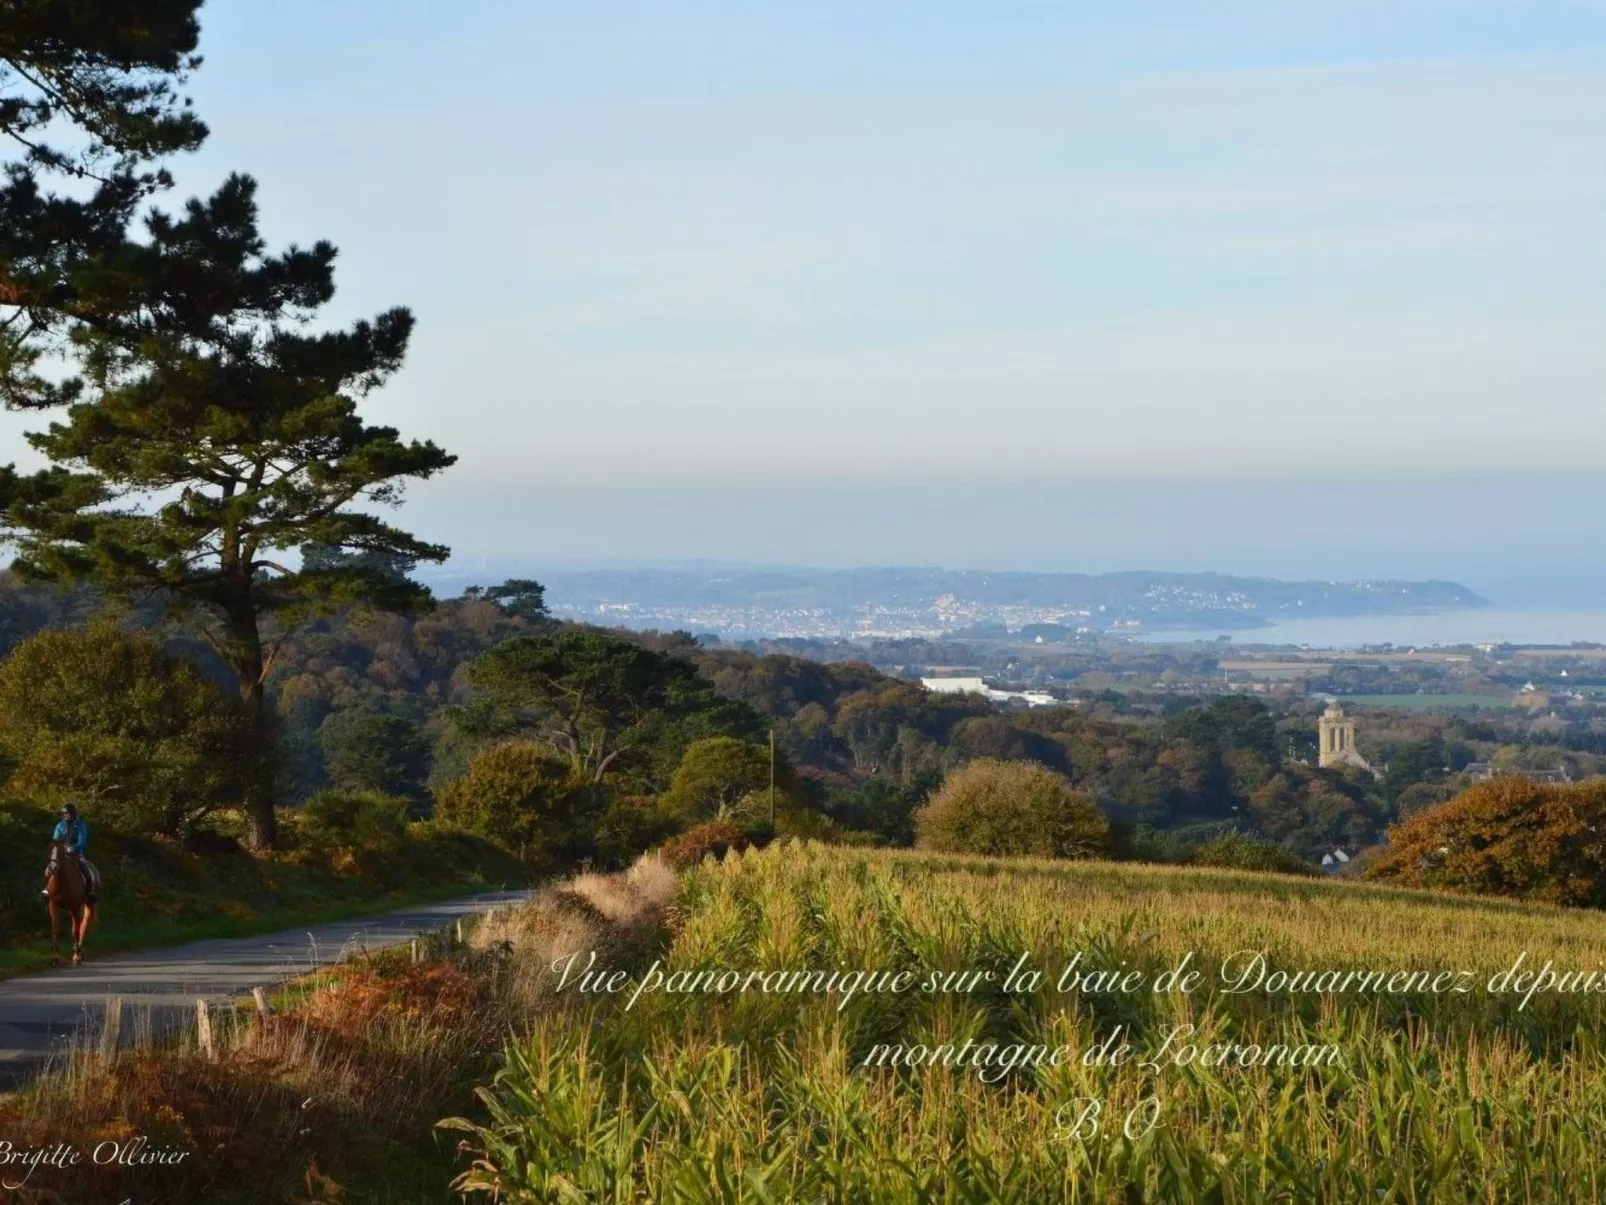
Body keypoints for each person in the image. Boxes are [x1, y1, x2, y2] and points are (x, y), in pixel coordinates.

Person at [43, 804, 98, 903]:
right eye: (64, 813)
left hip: (76, 853)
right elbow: (56, 839)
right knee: (49, 867)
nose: (65, 815)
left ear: (73, 814)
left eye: (67, 813)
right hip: (62, 852)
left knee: (86, 870)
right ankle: (46, 889)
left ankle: (89, 893)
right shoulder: (60, 825)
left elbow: (83, 840)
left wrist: (73, 847)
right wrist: (60, 846)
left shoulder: (80, 825)